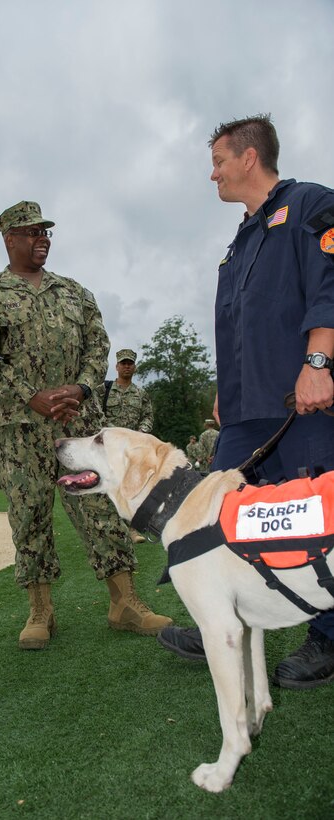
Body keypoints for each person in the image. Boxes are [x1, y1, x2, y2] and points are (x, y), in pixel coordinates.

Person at [158, 114, 334, 689]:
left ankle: (327, 640)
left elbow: (330, 284)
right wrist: (223, 387)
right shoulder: (240, 239)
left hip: (302, 404)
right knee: (214, 517)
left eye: (218, 161)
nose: (212, 175)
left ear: (249, 157)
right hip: (243, 410)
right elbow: (241, 322)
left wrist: (318, 362)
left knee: (316, 525)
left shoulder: (309, 204)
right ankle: (220, 619)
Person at [0, 200, 172, 650]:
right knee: (29, 513)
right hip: (19, 427)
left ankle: (125, 603)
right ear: (9, 239)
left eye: (46, 232)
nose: (43, 240)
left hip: (77, 423)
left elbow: (98, 343)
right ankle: (41, 612)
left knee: (100, 509)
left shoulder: (75, 292)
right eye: (33, 232)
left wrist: (79, 388)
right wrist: (30, 396)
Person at [95, 348, 154, 542]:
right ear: (117, 366)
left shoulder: (141, 393)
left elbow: (148, 416)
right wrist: (109, 430)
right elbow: (94, 410)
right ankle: (108, 530)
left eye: (130, 363)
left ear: (134, 367)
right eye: (123, 363)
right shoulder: (104, 390)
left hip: (131, 449)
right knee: (106, 487)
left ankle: (131, 530)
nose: (126, 366)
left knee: (131, 488)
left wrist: (141, 433)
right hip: (108, 447)